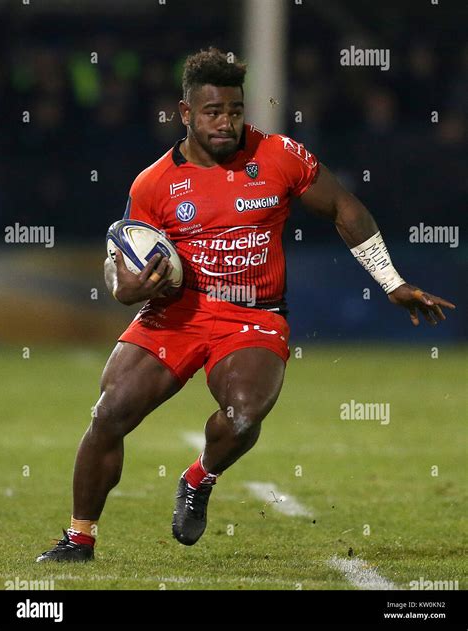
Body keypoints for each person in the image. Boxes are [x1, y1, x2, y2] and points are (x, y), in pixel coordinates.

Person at [37, 47, 455, 562]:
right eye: (213, 112)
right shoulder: (153, 183)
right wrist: (131, 289)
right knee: (109, 413)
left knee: (242, 417)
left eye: (235, 111)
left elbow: (346, 206)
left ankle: (199, 476)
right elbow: (122, 273)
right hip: (175, 313)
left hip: (253, 315)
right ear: (186, 113)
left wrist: (389, 279)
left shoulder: (277, 155)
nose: (227, 122)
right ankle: (78, 540)